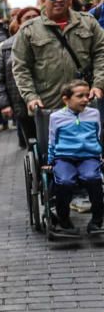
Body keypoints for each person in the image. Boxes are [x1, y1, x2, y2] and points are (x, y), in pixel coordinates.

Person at [13, 0, 104, 114]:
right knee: (50, 135)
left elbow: (101, 53)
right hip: (48, 106)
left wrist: (99, 85)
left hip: (86, 101)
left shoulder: (88, 22)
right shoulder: (29, 30)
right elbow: (21, 67)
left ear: (70, 0)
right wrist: (31, 97)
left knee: (91, 135)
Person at [47, 80, 104, 235]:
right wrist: (50, 161)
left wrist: (99, 155)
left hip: (89, 156)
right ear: (66, 99)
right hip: (64, 157)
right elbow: (52, 140)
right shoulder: (56, 117)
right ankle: (64, 220)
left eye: (87, 95)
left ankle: (97, 220)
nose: (86, 99)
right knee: (64, 181)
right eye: (80, 96)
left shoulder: (94, 114)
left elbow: (97, 136)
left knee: (93, 178)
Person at [0, 6, 41, 147]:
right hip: (22, 105)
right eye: (27, 18)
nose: (32, 21)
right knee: (33, 144)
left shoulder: (52, 40)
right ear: (19, 22)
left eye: (35, 17)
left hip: (49, 102)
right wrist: (4, 104)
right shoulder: (6, 47)